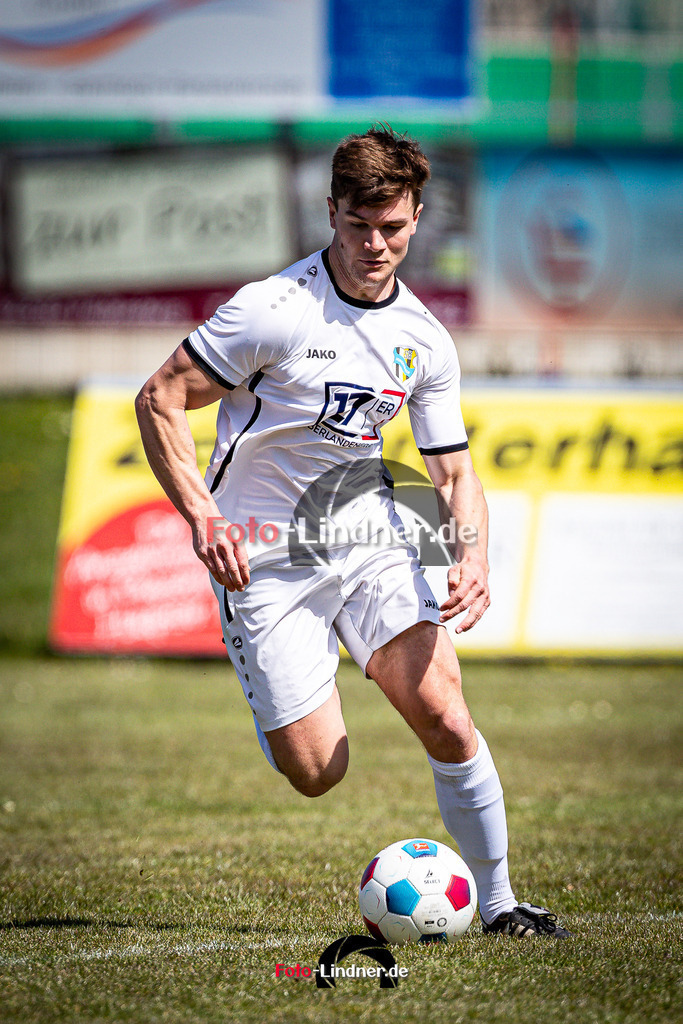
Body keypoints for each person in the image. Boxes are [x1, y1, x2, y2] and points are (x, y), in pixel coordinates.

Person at [135, 125, 570, 939]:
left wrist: (470, 556)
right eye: (358, 225)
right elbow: (159, 398)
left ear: (417, 218)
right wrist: (202, 515)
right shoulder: (272, 310)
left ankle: (501, 904)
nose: (375, 244)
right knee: (316, 771)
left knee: (445, 712)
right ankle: (282, 680)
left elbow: (452, 471)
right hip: (263, 555)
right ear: (330, 210)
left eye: (392, 227)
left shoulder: (423, 339)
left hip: (368, 537)